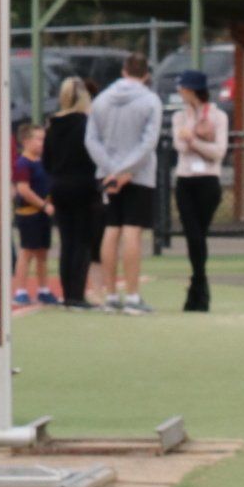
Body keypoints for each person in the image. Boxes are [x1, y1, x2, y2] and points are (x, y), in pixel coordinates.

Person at [86, 50, 162, 312]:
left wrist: (111, 169)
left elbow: (91, 140)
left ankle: (109, 296)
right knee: (132, 231)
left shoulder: (101, 100)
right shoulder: (151, 100)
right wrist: (126, 170)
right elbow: (148, 143)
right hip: (138, 175)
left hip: (107, 173)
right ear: (146, 75)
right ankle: (131, 296)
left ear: (123, 71)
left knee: (111, 229)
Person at [43, 76, 104, 310]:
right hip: (83, 185)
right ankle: (77, 294)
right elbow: (93, 155)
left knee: (67, 241)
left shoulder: (53, 125)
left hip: (59, 186)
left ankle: (68, 292)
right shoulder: (86, 124)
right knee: (83, 241)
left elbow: (46, 161)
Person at [171, 68, 229, 312]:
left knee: (199, 235)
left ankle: (197, 287)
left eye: (183, 88)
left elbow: (218, 152)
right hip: (185, 180)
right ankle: (199, 284)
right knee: (192, 234)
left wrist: (194, 140)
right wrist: (191, 139)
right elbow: (179, 146)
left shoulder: (218, 116)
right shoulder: (179, 117)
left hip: (208, 180)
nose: (180, 92)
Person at [11, 122, 54, 303]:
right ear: (26, 141)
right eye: (39, 139)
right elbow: (23, 190)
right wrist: (43, 205)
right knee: (27, 252)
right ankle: (20, 290)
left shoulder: (44, 162)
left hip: (44, 214)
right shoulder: (22, 163)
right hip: (28, 213)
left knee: (43, 252)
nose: (42, 143)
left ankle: (43, 289)